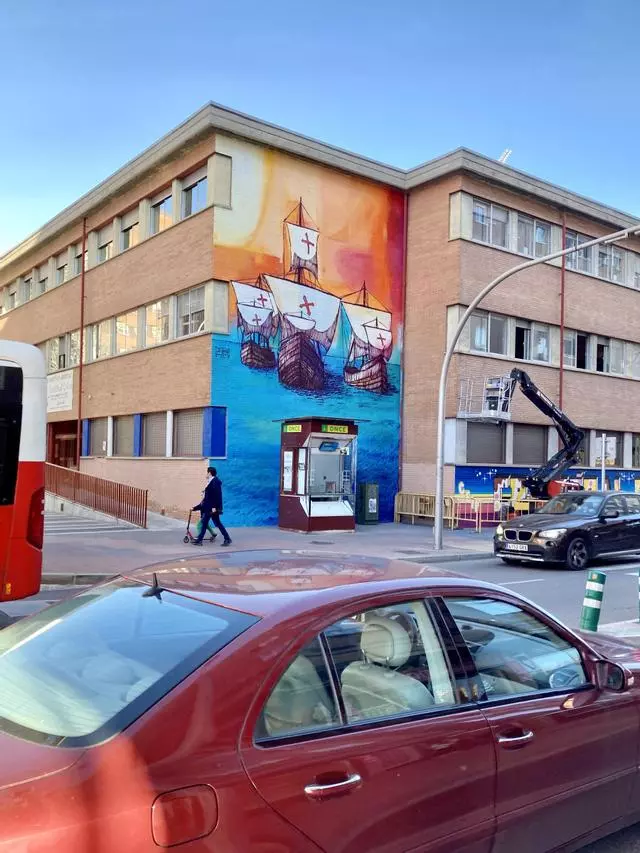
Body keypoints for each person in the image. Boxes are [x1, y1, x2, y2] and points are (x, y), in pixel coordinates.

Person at [192, 466, 232, 546]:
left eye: (207, 472)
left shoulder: (215, 482)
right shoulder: (211, 481)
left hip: (212, 508)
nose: (206, 474)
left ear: (209, 473)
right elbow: (208, 497)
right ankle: (200, 540)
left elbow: (216, 495)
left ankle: (227, 539)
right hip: (209, 507)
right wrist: (196, 508)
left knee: (213, 523)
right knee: (207, 523)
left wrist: (214, 507)